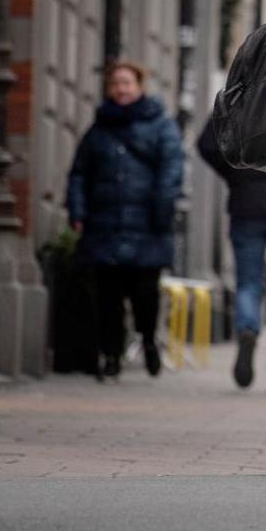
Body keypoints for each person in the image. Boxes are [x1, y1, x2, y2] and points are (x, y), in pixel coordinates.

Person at [65, 60, 183, 382]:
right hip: (105, 225)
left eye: (127, 83)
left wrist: (162, 209)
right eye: (116, 83)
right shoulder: (99, 129)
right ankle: (111, 355)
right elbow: (79, 173)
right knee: (108, 297)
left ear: (139, 86)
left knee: (145, 293)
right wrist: (77, 212)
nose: (121, 89)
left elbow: (172, 169)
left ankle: (148, 340)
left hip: (147, 225)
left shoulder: (160, 125)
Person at [195, 120, 266, 391]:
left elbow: (207, 143)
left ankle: (248, 328)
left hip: (245, 203)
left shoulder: (240, 91)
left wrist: (235, 170)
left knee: (248, 282)